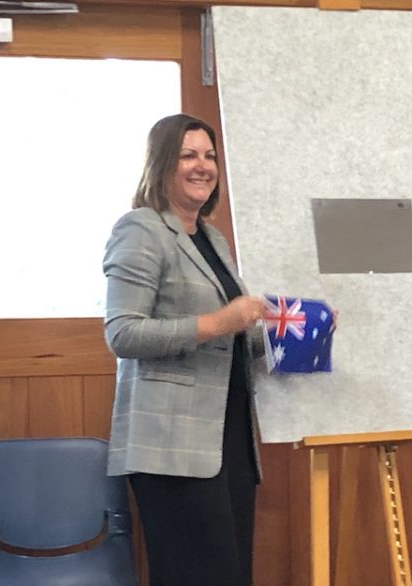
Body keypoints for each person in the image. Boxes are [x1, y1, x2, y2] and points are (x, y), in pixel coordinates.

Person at [102, 113, 265, 586]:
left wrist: (288, 328)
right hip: (170, 446)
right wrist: (219, 321)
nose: (203, 166)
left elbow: (233, 336)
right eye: (188, 155)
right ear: (161, 165)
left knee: (232, 576)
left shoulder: (212, 237)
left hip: (226, 439)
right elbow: (123, 334)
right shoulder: (141, 229)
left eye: (210, 156)